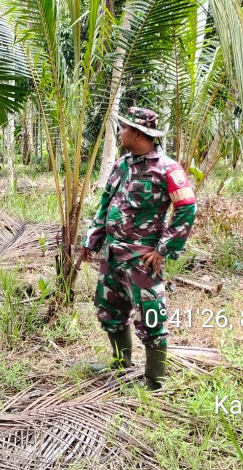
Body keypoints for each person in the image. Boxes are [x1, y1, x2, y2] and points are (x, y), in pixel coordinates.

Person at [80, 107, 197, 390]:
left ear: (138, 133)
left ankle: (154, 381)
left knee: (151, 318)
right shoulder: (122, 165)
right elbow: (106, 204)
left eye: (124, 128)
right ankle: (121, 363)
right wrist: (91, 240)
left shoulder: (167, 169)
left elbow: (187, 208)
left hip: (142, 260)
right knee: (109, 311)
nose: (120, 132)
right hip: (113, 255)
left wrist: (163, 249)